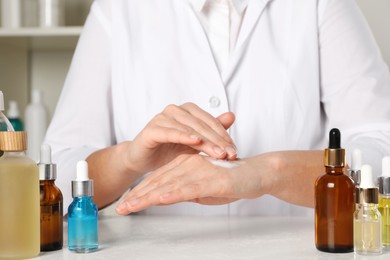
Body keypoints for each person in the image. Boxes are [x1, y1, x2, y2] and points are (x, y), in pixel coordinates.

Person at [45, 0, 390, 216]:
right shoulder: (118, 9)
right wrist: (129, 160)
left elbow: (382, 146)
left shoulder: (318, 5)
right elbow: (55, 174)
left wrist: (267, 172)